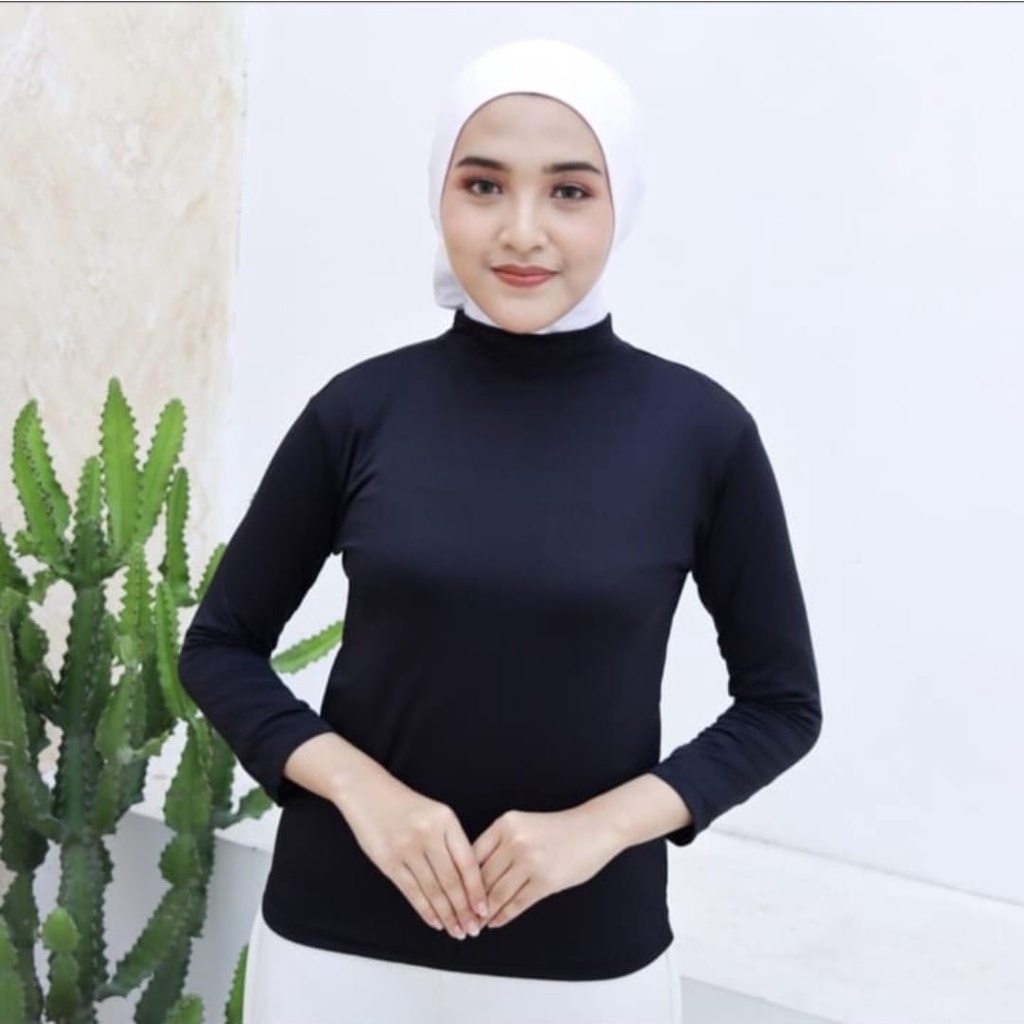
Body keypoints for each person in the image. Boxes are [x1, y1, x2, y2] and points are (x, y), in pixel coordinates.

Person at [178, 38, 822, 1024]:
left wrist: (600, 828)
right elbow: (220, 647)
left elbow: (781, 704)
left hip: (588, 965)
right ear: (441, 194)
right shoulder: (360, 410)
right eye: (483, 185)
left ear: (621, 202)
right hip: (334, 944)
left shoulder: (701, 433)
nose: (522, 231)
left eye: (569, 191)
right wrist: (363, 792)